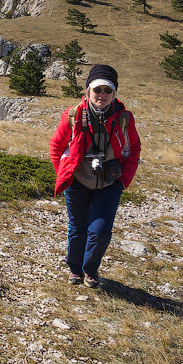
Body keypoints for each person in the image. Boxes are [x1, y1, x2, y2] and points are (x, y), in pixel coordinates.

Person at [49, 64, 141, 287]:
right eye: (97, 90)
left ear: (114, 93)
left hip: (110, 182)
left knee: (100, 231)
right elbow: (56, 147)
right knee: (78, 227)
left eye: (108, 91)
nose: (102, 95)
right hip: (78, 181)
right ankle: (75, 270)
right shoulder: (73, 115)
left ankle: (90, 269)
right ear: (88, 90)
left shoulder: (124, 119)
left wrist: (122, 182)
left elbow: (134, 150)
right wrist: (66, 173)